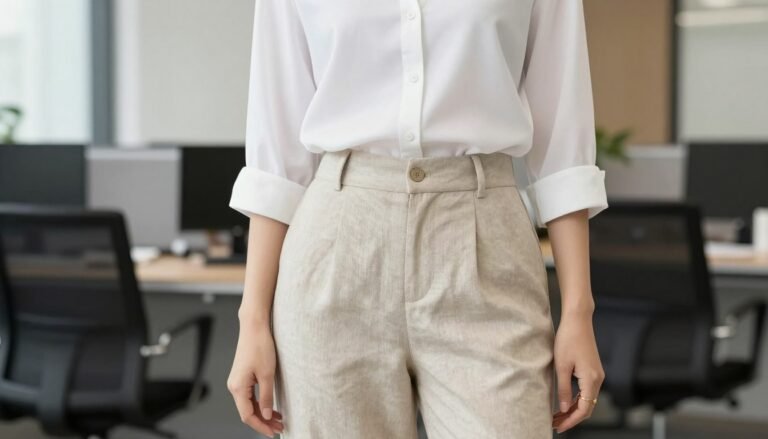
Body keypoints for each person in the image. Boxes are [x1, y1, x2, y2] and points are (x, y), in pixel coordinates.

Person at [226, 0, 608, 437]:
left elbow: (563, 151)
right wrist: (252, 320)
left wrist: (578, 312)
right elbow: (277, 164)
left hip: (485, 238)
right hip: (337, 244)